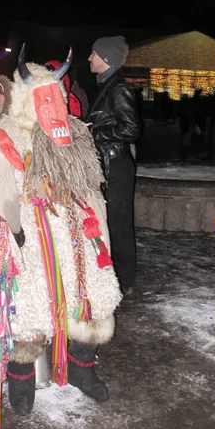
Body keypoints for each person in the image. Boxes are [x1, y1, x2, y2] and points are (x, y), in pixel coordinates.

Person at [0, 45, 121, 429]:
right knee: (26, 311)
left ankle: (82, 369)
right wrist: (2, 190)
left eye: (55, 94)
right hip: (25, 237)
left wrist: (100, 231)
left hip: (75, 235)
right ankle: (22, 378)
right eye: (40, 96)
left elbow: (91, 185)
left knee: (91, 301)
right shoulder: (1, 134)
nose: (49, 102)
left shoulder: (75, 134)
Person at [85, 36, 141, 296]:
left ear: (106, 59)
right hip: (108, 163)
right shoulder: (106, 87)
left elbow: (131, 129)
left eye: (93, 54)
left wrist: (94, 132)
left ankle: (125, 279)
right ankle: (114, 275)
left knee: (118, 223)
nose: (89, 58)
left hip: (116, 165)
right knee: (108, 221)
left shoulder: (118, 88)